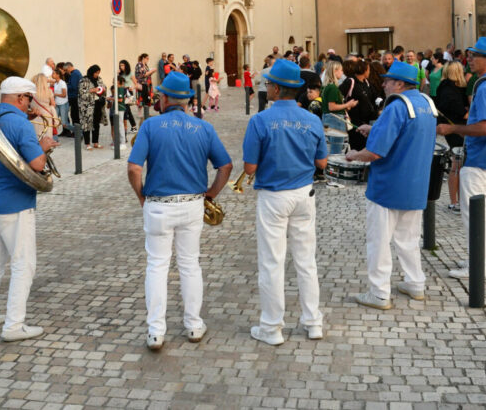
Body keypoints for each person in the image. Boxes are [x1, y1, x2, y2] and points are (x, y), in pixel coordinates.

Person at [126, 72, 232, 350]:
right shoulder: (204, 128)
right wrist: (211, 192)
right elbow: (226, 166)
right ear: (187, 100)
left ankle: (155, 331)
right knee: (190, 264)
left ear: (163, 98)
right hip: (192, 205)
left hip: (158, 205)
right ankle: (194, 325)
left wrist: (141, 197)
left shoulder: (150, 126)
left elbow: (134, 168)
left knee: (157, 266)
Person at [240, 59, 327, 345]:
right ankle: (313, 322)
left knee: (272, 263)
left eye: (268, 84)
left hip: (273, 197)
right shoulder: (313, 120)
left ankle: (272, 327)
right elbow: (322, 162)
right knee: (306, 261)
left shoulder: (260, 120)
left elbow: (249, 168)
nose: (267, 88)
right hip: (304, 194)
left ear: (277, 88)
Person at [344, 61, 435, 309]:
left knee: (379, 241)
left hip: (388, 184)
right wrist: (373, 128)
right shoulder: (426, 104)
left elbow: (374, 153)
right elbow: (407, 133)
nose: (383, 84)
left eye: (387, 81)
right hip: (416, 185)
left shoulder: (396, 107)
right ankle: (415, 284)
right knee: (409, 238)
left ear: (400, 84)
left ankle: (379, 293)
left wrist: (354, 154)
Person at [0, 77, 57, 341]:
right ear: (21, 98)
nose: (29, 104)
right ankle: (13, 326)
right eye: (28, 99)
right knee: (23, 264)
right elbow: (35, 163)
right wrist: (43, 147)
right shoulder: (19, 123)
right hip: (13, 202)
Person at [437, 37, 486, 279]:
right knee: (479, 214)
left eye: (474, 55)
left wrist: (453, 129)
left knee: (472, 215)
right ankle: (482, 260)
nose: (469, 59)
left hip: (480, 159)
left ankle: (477, 266)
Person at [435, 61, 468, 212]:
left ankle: (457, 200)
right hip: (455, 129)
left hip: (454, 129)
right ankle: (455, 201)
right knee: (457, 165)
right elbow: (458, 110)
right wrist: (466, 112)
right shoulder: (450, 89)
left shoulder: (447, 87)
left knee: (458, 164)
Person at [340, 58, 376, 151]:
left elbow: (373, 97)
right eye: (369, 70)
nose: (369, 72)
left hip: (366, 122)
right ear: (365, 70)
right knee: (356, 147)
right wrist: (347, 106)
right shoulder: (350, 82)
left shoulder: (367, 83)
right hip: (354, 123)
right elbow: (339, 97)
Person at [78, 65, 106, 150]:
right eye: (96, 73)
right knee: (87, 124)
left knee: (96, 123)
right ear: (92, 72)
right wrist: (92, 90)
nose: (97, 74)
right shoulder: (84, 80)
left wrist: (103, 90)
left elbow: (103, 87)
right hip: (87, 106)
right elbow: (81, 93)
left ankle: (96, 142)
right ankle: (87, 143)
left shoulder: (99, 79)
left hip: (97, 103)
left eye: (98, 73)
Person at [52, 67, 73, 138]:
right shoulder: (55, 83)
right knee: (54, 121)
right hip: (57, 104)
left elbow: (64, 95)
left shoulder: (62, 83)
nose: (52, 74)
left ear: (58, 75)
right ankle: (55, 138)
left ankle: (78, 131)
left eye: (54, 73)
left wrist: (55, 94)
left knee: (64, 124)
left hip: (63, 104)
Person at [65, 62, 82, 131]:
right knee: (74, 115)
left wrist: (65, 85)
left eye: (66, 70)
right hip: (75, 97)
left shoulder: (74, 74)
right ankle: (77, 131)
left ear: (69, 67)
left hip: (74, 97)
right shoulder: (76, 73)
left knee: (75, 115)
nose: (66, 72)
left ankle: (77, 132)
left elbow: (74, 86)